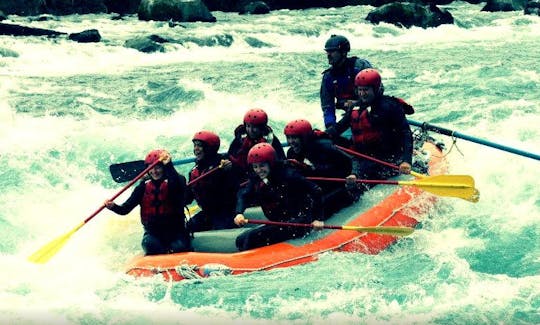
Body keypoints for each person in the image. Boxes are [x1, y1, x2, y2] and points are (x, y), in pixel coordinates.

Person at [328, 68, 413, 191]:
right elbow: (339, 127)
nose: (362, 94)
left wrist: (406, 161)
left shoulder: (390, 106)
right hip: (364, 157)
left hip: (389, 158)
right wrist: (319, 135)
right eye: (360, 90)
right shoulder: (355, 107)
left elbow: (405, 133)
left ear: (376, 88)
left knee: (363, 173)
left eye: (366, 90)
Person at [233, 143, 324, 251]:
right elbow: (244, 195)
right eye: (255, 167)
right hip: (278, 222)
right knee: (240, 240)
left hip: (299, 221)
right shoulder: (257, 178)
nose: (258, 170)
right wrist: (239, 213)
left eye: (262, 165)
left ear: (271, 163)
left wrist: (317, 219)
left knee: (251, 238)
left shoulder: (289, 175)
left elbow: (316, 190)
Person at [104, 149, 191, 255]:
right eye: (152, 168)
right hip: (154, 233)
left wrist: (169, 165)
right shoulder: (143, 187)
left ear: (164, 168)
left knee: (179, 246)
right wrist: (113, 206)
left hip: (176, 232)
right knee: (149, 244)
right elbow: (125, 209)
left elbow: (178, 187)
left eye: (158, 167)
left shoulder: (177, 180)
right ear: (148, 170)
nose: (155, 171)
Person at [283, 119, 356, 218]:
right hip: (317, 188)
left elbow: (350, 161)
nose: (291, 142)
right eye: (289, 138)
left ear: (304, 137)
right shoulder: (291, 153)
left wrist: (354, 174)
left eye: (294, 138)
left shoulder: (324, 146)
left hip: (337, 186)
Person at [185, 130, 239, 232]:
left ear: (209, 148)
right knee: (188, 227)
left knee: (221, 227)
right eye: (195, 146)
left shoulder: (224, 164)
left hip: (225, 212)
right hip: (207, 213)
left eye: (200, 146)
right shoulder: (194, 171)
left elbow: (234, 185)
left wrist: (228, 170)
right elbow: (188, 197)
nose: (196, 149)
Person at [320, 34, 374, 131]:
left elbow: (378, 90)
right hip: (349, 117)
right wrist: (330, 126)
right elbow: (327, 106)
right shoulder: (328, 77)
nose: (328, 55)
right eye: (327, 51)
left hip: (371, 112)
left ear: (343, 52)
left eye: (332, 51)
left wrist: (358, 103)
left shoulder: (360, 66)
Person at [227, 108, 286, 181]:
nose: (250, 130)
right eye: (248, 126)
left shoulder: (271, 141)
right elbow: (229, 156)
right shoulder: (240, 139)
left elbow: (281, 161)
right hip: (241, 175)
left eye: (254, 127)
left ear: (262, 127)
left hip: (262, 176)